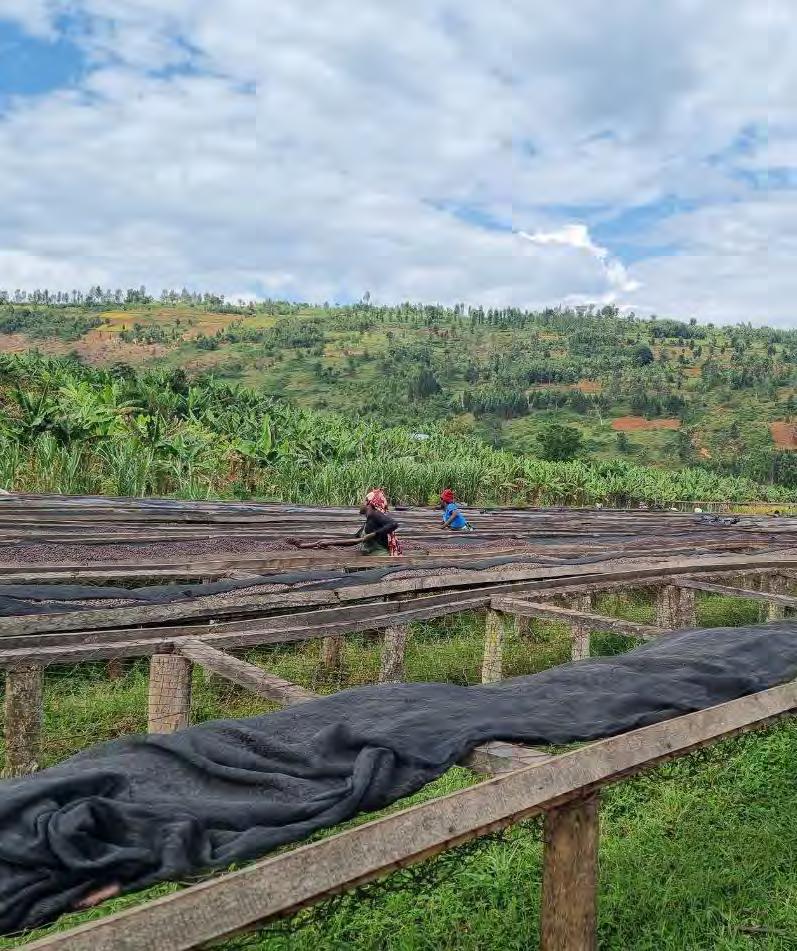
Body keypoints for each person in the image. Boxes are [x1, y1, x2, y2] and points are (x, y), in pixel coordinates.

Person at [314, 488, 402, 555]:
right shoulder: (369, 522)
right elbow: (353, 541)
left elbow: (393, 524)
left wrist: (373, 534)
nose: (361, 504)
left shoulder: (375, 515)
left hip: (381, 561)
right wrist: (328, 542)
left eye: (363, 501)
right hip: (371, 559)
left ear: (368, 503)